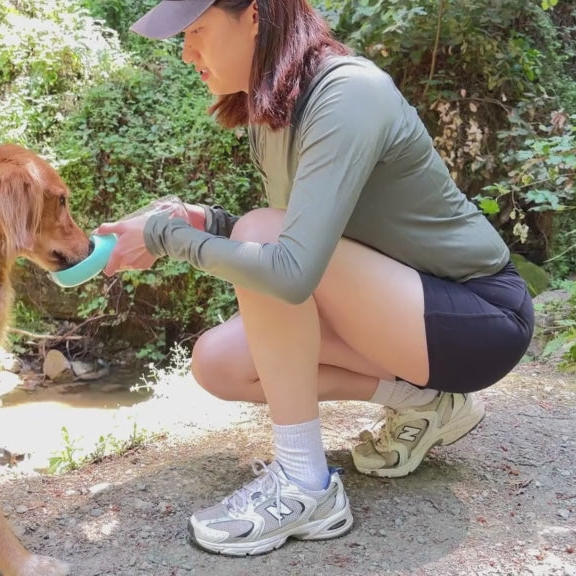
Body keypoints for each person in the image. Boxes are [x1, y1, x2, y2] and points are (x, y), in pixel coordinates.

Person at [95, 0, 535, 557]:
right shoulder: (274, 110)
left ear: (254, 15)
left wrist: (164, 238)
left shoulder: (348, 93)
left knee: (262, 235)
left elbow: (291, 268)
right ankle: (427, 400)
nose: (187, 53)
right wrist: (201, 221)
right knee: (219, 363)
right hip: (399, 315)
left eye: (197, 31)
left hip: (479, 318)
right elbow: (310, 238)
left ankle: (306, 484)